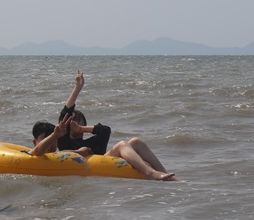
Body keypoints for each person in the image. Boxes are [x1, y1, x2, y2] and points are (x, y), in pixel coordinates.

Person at [35, 71, 181, 181]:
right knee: (122, 144)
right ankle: (150, 173)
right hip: (90, 164)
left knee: (136, 141)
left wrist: (81, 130)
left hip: (103, 160)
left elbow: (106, 130)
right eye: (73, 121)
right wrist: (77, 88)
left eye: (79, 120)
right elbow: (66, 111)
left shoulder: (94, 140)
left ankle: (165, 173)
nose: (75, 122)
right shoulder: (63, 139)